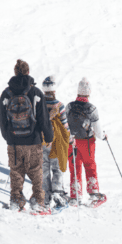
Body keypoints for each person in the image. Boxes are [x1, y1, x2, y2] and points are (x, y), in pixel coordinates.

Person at [0, 59, 53, 212]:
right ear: (28, 72)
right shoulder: (35, 93)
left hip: (14, 142)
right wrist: (48, 137)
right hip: (33, 141)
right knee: (36, 172)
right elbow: (44, 118)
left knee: (16, 172)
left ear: (15, 72)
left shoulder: (6, 93)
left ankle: (16, 200)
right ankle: (38, 202)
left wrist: (8, 136)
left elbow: (1, 118)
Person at [66, 77, 107, 205]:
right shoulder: (91, 109)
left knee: (74, 167)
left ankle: (75, 196)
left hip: (72, 141)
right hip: (87, 142)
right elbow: (98, 131)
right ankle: (94, 193)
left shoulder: (69, 106)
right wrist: (104, 136)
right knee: (89, 166)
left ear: (78, 91)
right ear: (89, 92)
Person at [41, 74, 72, 207]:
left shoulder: (38, 104)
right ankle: (57, 193)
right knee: (57, 168)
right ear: (54, 90)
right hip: (57, 142)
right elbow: (65, 125)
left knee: (44, 168)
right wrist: (70, 138)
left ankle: (45, 196)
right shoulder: (59, 105)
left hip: (42, 141)